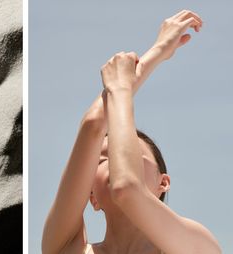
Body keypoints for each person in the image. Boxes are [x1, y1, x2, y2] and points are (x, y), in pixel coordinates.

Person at [42, 10, 221, 254]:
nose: (118, 160)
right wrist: (158, 52)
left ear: (163, 183)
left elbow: (127, 187)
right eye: (103, 159)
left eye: (133, 154)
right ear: (91, 196)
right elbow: (93, 125)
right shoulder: (66, 248)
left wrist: (121, 86)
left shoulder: (196, 245)